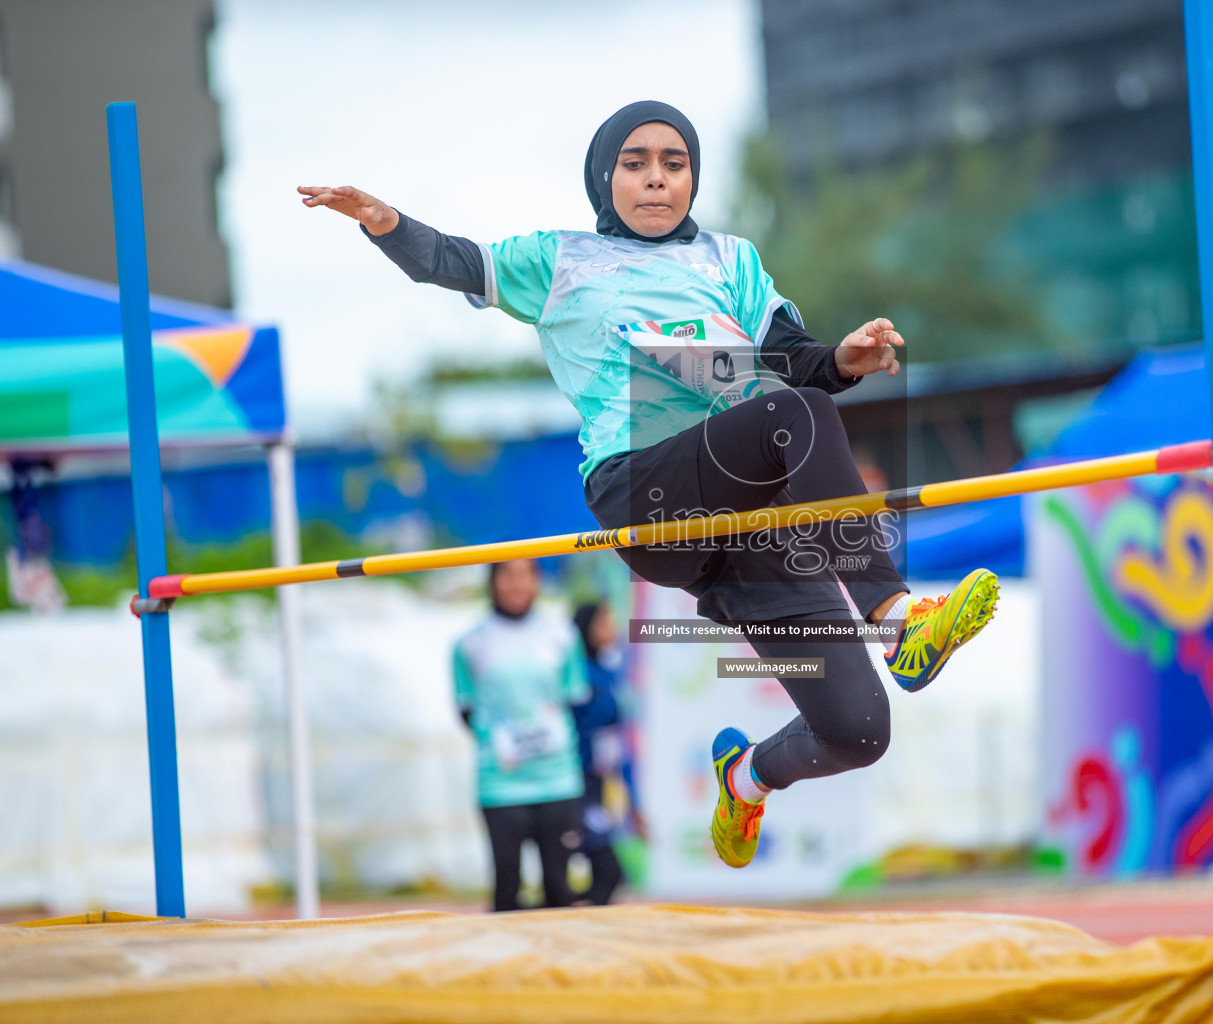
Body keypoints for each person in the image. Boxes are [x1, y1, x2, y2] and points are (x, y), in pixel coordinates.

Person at [299, 100, 1000, 871]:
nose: (658, 180)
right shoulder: (560, 259)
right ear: (606, 177)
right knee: (793, 414)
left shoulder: (731, 261)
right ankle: (897, 616)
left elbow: (793, 359)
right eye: (636, 164)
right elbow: (453, 260)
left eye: (675, 163)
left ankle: (747, 776)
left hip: (753, 520)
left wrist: (845, 360)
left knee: (858, 731)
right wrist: (381, 218)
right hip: (646, 493)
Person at [453, 559, 589, 911]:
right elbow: (465, 710)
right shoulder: (469, 643)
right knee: (506, 887)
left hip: (557, 780)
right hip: (500, 785)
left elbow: (575, 700)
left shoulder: (562, 636)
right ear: (493, 582)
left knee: (560, 888)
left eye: (525, 575)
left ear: (537, 582)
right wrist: (505, 743)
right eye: (507, 575)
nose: (516, 585)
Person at [569, 600, 641, 905]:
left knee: (608, 874)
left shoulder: (609, 674)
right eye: (603, 623)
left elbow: (616, 745)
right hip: (571, 784)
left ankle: (573, 921)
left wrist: (634, 803)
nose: (612, 629)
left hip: (596, 785)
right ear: (585, 629)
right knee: (608, 870)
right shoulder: (575, 675)